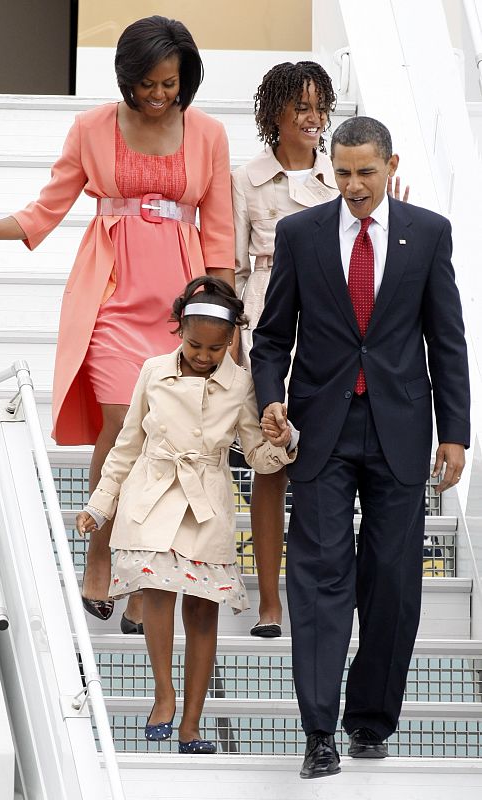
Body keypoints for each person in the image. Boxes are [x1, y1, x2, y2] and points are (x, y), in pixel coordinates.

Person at [0, 16, 235, 634]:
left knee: (168, 435)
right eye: (148, 85)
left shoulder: (210, 134)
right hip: (112, 298)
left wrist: (228, 325)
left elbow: (218, 238)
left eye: (171, 83)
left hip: (183, 304)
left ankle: (142, 578)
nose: (160, 95)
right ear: (127, 79)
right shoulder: (91, 129)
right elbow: (41, 213)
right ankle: (101, 551)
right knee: (120, 425)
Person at [252, 116, 469, 779]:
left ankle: (370, 723)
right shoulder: (298, 234)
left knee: (392, 585)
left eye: (365, 173)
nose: (352, 186)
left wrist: (454, 432)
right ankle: (319, 732)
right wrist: (269, 397)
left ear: (388, 164)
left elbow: (446, 338)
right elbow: (270, 337)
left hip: (400, 430)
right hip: (320, 430)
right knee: (318, 583)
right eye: (341, 172)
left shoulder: (427, 233)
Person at [75, 276, 298, 753]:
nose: (203, 355)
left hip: (207, 503)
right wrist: (99, 504)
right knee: (157, 591)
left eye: (215, 348)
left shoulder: (240, 384)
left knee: (202, 610)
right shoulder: (153, 371)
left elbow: (256, 456)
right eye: (195, 344)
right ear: (178, 331)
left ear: (232, 340)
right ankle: (163, 692)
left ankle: (192, 722)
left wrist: (284, 442)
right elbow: (126, 445)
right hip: (151, 497)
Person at [232, 62, 408, 638]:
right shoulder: (246, 179)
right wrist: (239, 349)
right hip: (267, 331)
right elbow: (232, 268)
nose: (313, 118)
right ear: (274, 113)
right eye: (300, 107)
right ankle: (268, 600)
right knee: (269, 466)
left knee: (318, 471)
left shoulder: (344, 179)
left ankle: (325, 595)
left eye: (320, 107)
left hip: (332, 345)